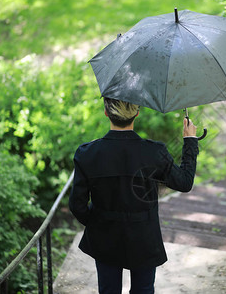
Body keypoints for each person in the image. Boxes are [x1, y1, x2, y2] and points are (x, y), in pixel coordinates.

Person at [69, 98, 198, 294]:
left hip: (105, 238)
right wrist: (190, 141)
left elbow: (76, 205)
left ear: (106, 112)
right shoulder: (154, 151)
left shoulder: (87, 154)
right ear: (137, 113)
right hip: (144, 237)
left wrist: (99, 223)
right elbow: (184, 182)